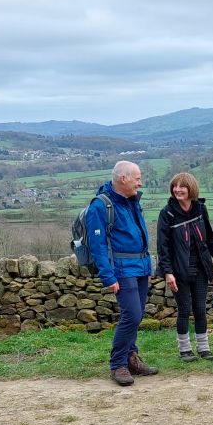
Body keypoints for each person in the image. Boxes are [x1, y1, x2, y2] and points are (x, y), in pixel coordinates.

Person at [87, 160, 158, 386]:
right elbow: (97, 245)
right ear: (123, 178)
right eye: (137, 178)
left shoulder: (132, 201)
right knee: (132, 315)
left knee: (136, 316)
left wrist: (147, 266)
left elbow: (139, 235)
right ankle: (118, 364)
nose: (140, 182)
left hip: (139, 267)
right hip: (121, 269)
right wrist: (108, 276)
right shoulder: (101, 206)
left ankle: (131, 357)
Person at [157, 172, 213, 362]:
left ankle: (204, 348)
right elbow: (162, 246)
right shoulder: (167, 213)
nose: (177, 190)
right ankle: (185, 350)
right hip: (179, 270)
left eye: (182, 186)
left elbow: (210, 237)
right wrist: (167, 272)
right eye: (175, 186)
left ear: (191, 189)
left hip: (200, 268)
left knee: (199, 308)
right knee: (184, 308)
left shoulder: (200, 209)